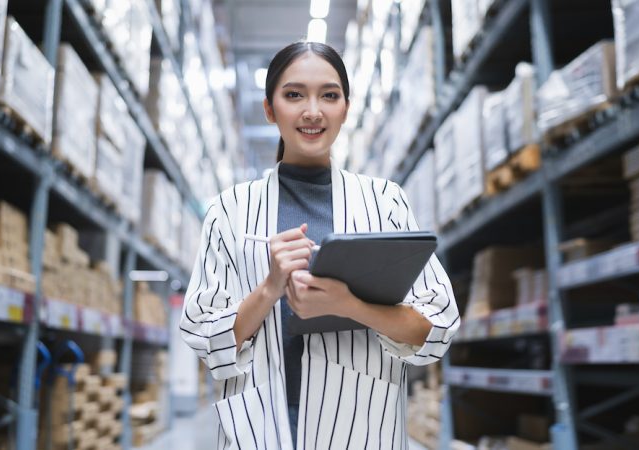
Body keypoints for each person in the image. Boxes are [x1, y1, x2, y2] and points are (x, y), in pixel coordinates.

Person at [180, 41, 460, 449]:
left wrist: (349, 306)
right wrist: (269, 288)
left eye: (329, 95)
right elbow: (204, 334)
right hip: (257, 431)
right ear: (270, 109)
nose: (313, 111)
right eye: (294, 95)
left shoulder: (384, 202)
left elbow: (437, 325)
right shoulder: (231, 210)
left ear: (346, 107)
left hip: (361, 428)